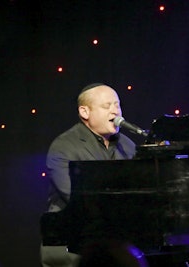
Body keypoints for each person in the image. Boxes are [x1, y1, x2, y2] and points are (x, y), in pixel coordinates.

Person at [40, 83, 137, 267]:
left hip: (112, 243)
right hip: (70, 243)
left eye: (117, 105)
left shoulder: (128, 145)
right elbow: (76, 198)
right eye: (106, 106)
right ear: (85, 112)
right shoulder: (64, 146)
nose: (115, 111)